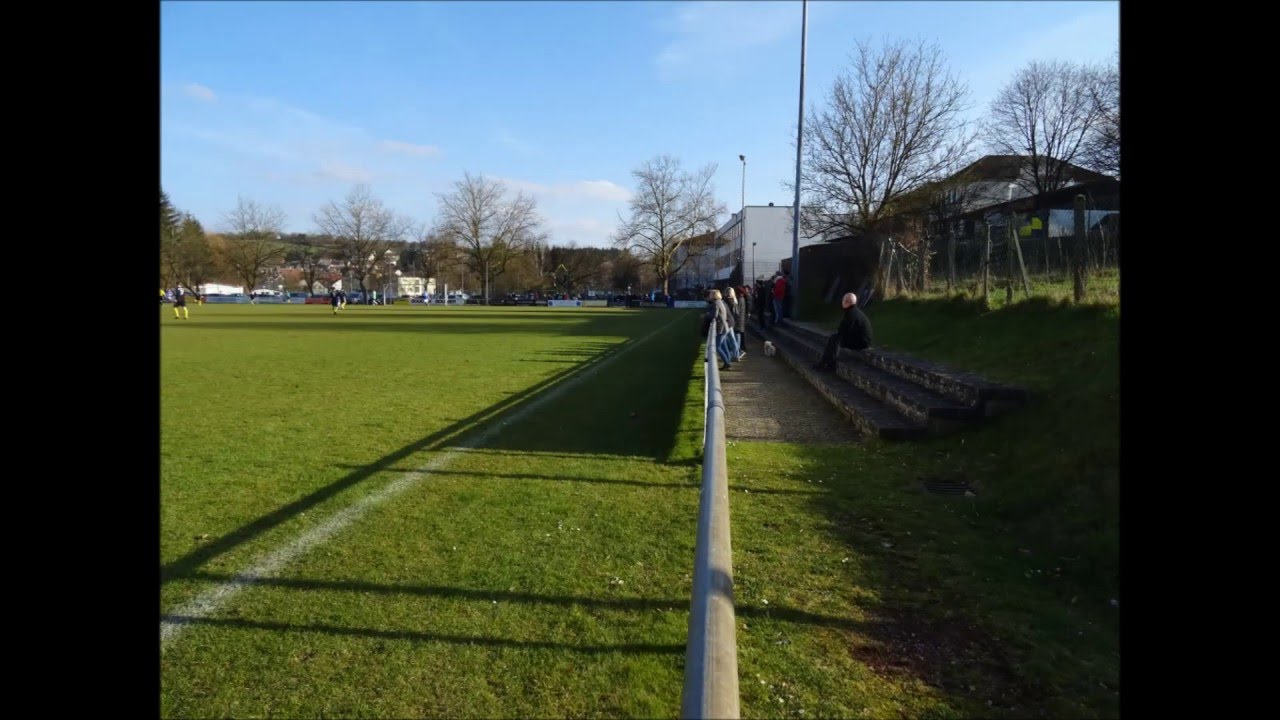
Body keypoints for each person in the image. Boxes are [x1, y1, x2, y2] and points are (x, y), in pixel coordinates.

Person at [814, 292, 873, 371]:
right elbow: (845, 329)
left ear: (847, 302)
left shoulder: (851, 314)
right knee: (835, 338)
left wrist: (839, 335)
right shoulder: (854, 311)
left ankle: (828, 364)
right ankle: (827, 363)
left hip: (862, 343)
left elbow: (843, 330)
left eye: (843, 300)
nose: (841, 302)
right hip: (862, 340)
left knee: (835, 339)